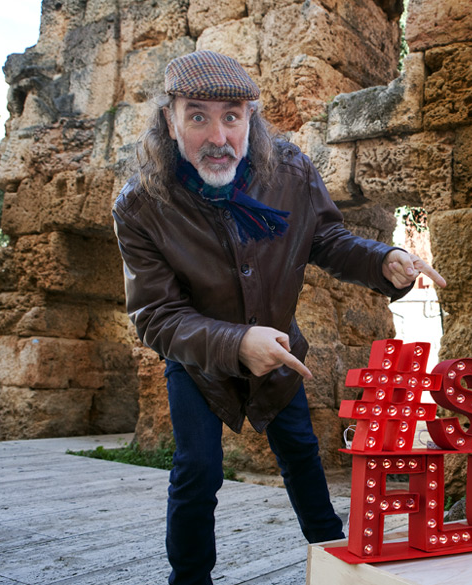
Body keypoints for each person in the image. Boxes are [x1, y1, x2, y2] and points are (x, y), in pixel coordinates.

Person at [112, 50, 445, 585]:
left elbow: (329, 240)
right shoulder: (140, 204)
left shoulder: (288, 169)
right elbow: (157, 315)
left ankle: (339, 565)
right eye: (197, 116)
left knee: (302, 455)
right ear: (170, 122)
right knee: (197, 471)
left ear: (250, 118)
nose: (217, 135)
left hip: (279, 353)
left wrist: (383, 259)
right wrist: (237, 343)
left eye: (231, 116)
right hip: (197, 359)